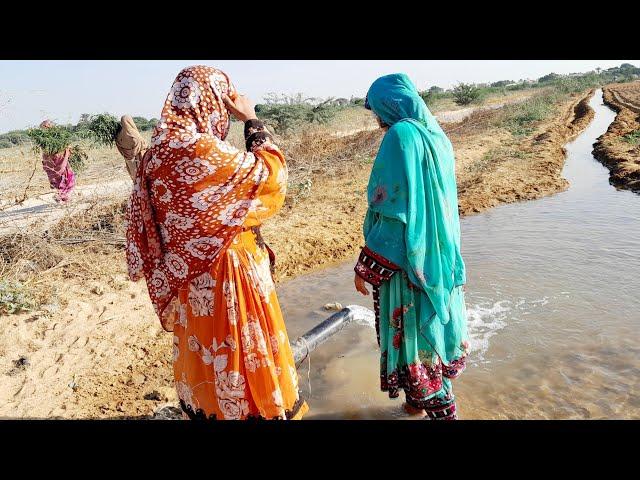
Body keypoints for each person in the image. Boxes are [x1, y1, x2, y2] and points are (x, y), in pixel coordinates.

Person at [125, 66, 307, 420]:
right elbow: (273, 179)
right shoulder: (203, 150)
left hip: (192, 284)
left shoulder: (156, 155)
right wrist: (252, 119)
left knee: (206, 354)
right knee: (242, 353)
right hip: (230, 275)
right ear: (213, 103)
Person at [353, 73, 469, 420]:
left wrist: (366, 267)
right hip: (438, 256)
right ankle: (414, 406)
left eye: (374, 109)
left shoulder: (401, 135)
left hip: (408, 260)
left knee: (417, 339)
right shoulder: (437, 136)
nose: (375, 118)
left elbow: (395, 210)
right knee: (429, 328)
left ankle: (441, 410)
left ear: (385, 105)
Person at [39, 120, 75, 202]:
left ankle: (62, 195)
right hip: (58, 159)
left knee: (60, 178)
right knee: (68, 177)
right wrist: (68, 149)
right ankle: (61, 195)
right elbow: (63, 146)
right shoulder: (54, 136)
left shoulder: (43, 138)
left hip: (52, 160)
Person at [115, 115, 148, 181]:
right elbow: (141, 143)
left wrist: (128, 154)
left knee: (135, 177)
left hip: (129, 160)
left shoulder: (118, 135)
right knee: (143, 176)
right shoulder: (133, 132)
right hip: (140, 157)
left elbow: (120, 148)